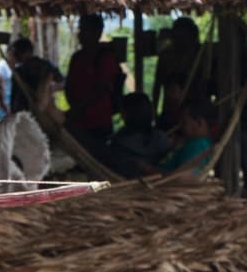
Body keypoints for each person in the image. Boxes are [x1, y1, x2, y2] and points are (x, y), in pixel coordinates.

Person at [64, 13, 123, 158]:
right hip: (78, 122)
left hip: (98, 121)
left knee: (98, 158)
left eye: (85, 30)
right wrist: (73, 107)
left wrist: (79, 107)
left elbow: (101, 88)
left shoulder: (105, 58)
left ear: (97, 32)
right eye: (80, 29)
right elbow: (69, 85)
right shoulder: (77, 58)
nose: (80, 34)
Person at [107, 91, 170, 178]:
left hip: (125, 186)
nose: (121, 115)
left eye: (122, 111)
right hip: (161, 185)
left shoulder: (118, 144)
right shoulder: (162, 140)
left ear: (126, 114)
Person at [157, 97, 215, 175]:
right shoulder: (191, 142)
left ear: (199, 123)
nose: (180, 126)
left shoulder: (198, 144)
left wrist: (147, 169)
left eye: (184, 122)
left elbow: (181, 177)